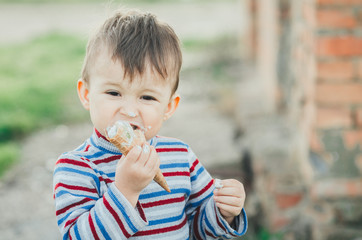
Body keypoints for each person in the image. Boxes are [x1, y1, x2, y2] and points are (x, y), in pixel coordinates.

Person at [53, 8, 247, 239]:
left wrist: (223, 212)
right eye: (114, 93)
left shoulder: (180, 156)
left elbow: (197, 229)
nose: (129, 110)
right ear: (86, 94)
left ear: (168, 107)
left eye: (147, 97)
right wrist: (125, 191)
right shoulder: (76, 168)